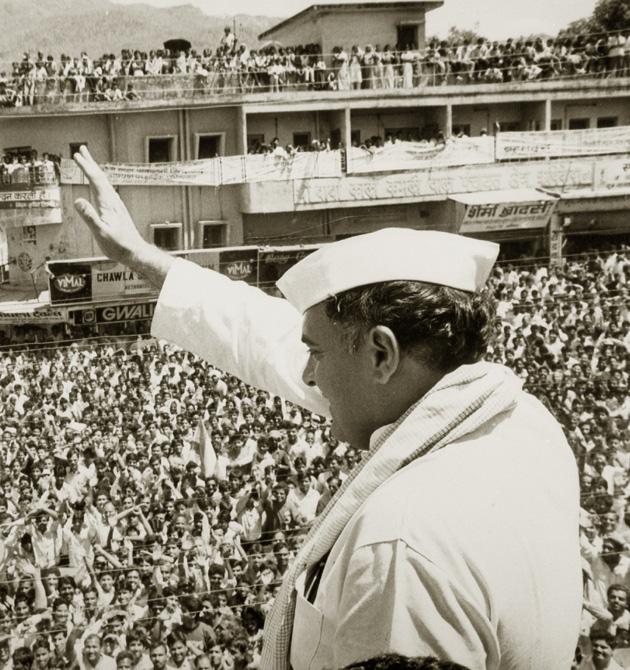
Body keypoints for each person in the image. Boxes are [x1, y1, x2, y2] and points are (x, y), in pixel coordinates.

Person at [72, 145, 582, 670]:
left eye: (315, 353)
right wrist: (141, 257)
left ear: (382, 354)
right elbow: (266, 338)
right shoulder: (525, 423)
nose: (308, 373)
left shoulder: (401, 549)